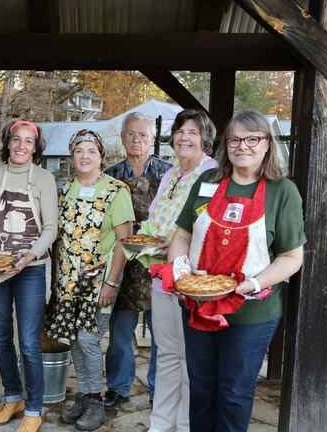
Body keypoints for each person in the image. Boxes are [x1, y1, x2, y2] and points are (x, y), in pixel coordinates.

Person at [166, 110, 305, 431]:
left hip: (250, 314)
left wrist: (252, 283)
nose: (243, 146)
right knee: (200, 390)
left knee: (234, 394)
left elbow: (290, 257)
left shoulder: (282, 191)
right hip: (198, 306)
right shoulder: (208, 181)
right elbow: (183, 236)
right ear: (225, 145)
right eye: (235, 139)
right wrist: (179, 271)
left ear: (267, 144)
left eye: (252, 139)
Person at [0, 119, 58, 432]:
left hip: (30, 270)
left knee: (30, 343)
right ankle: (13, 397)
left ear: (36, 148)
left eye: (28, 142)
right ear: (8, 143)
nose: (21, 146)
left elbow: (50, 228)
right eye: (16, 140)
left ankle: (34, 409)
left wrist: (29, 256)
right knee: (3, 338)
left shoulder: (45, 179)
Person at [45, 130, 134, 430]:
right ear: (72, 156)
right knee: (72, 338)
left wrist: (111, 283)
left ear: (101, 156)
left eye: (91, 151)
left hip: (99, 280)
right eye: (79, 151)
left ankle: (96, 400)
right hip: (69, 280)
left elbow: (125, 241)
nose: (85, 156)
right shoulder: (67, 188)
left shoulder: (116, 190)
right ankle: (83, 395)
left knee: (88, 339)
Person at [143, 110, 217, 432]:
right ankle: (160, 424)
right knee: (169, 353)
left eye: (193, 132)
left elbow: (209, 229)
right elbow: (153, 218)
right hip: (161, 275)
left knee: (190, 358)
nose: (184, 137)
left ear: (206, 139)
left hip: (192, 282)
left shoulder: (212, 174)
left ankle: (186, 425)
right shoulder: (171, 173)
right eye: (180, 131)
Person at [103, 112, 170, 407]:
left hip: (158, 261)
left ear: (152, 140)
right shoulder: (111, 175)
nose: (136, 140)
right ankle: (118, 387)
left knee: (161, 335)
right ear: (122, 138)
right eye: (130, 134)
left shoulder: (168, 175)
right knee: (119, 333)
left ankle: (159, 391)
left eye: (143, 135)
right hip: (123, 262)